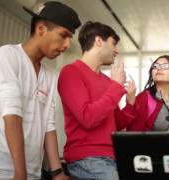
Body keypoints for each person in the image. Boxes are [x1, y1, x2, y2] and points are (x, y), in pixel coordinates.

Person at [0, 1, 81, 179]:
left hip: (33, 171)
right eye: (63, 35)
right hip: (5, 169)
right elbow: (12, 115)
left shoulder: (51, 75)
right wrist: (20, 173)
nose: (67, 45)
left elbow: (48, 124)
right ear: (42, 29)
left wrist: (57, 172)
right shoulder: (8, 56)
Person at [57, 21, 136, 179]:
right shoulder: (71, 72)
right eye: (114, 43)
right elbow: (88, 118)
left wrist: (130, 103)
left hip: (111, 158)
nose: (116, 50)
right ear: (99, 41)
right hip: (88, 158)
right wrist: (116, 86)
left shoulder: (107, 81)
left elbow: (116, 123)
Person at [126, 55, 169, 131]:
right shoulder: (143, 98)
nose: (159, 68)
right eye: (155, 66)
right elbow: (134, 135)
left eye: (165, 66)